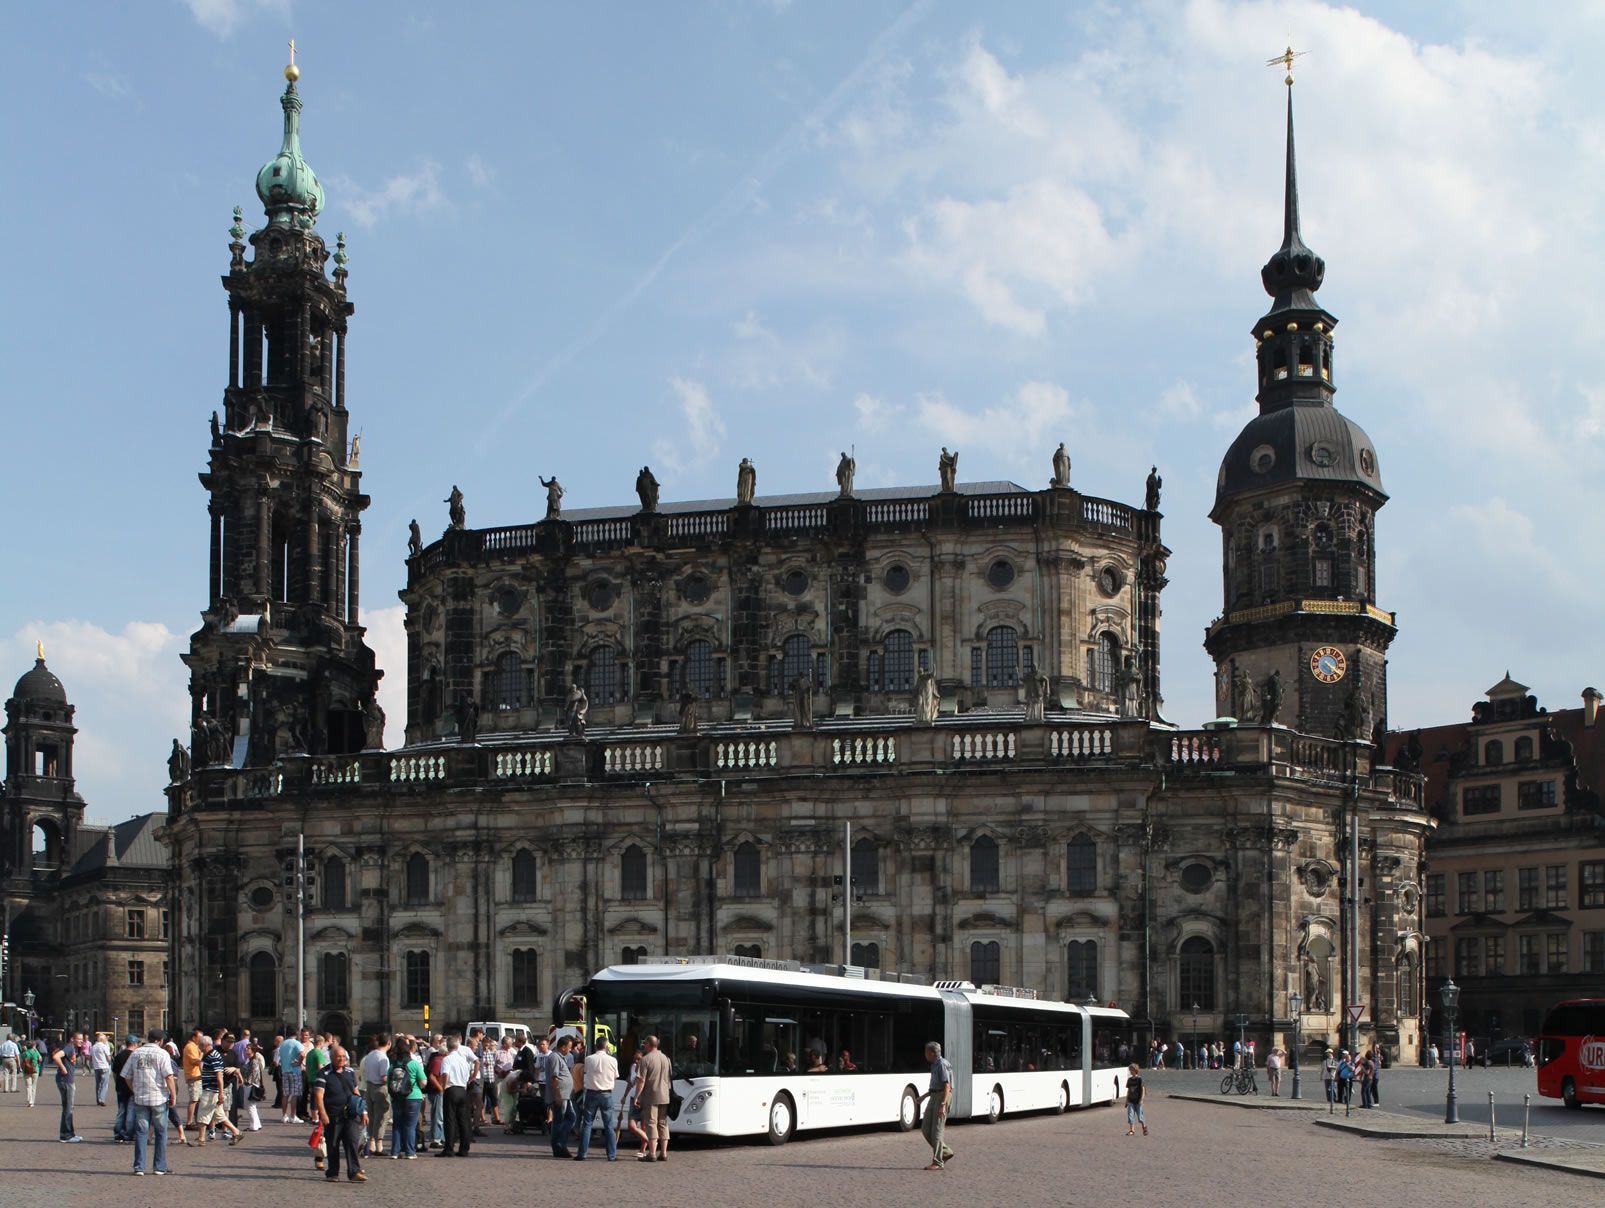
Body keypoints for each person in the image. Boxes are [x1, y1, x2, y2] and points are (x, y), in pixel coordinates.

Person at [124, 1029, 177, 1176]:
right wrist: (173, 1094)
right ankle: (159, 1166)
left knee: (141, 1132)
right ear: (160, 1041)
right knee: (161, 1132)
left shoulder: (136, 1053)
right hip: (159, 1097)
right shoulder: (162, 1053)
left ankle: (139, 1167)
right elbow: (169, 1076)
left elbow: (126, 1076)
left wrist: (134, 1090)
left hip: (141, 1098)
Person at [313, 1045, 367, 1183]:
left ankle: (354, 1171)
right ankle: (332, 1173)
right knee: (333, 1145)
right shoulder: (323, 1074)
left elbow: (356, 1092)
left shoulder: (349, 1072)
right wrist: (323, 1114)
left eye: (344, 1057)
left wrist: (364, 1111)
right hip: (332, 1115)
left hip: (350, 1114)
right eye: (338, 1057)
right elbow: (318, 1096)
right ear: (331, 1058)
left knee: (352, 1143)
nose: (342, 1059)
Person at [574, 1038, 619, 1161]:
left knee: (587, 1124)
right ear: (606, 1046)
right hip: (606, 1094)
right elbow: (615, 1076)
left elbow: (587, 1073)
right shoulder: (613, 1060)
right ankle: (611, 1155)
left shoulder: (588, 1059)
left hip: (591, 1093)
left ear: (595, 1046)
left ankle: (582, 1153)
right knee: (609, 1125)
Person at [195, 1035, 244, 1146]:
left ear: (205, 1045)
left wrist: (221, 1093)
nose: (199, 1047)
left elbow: (219, 1076)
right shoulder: (210, 1055)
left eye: (200, 1045)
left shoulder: (213, 1056)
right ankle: (237, 1132)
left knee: (202, 1114)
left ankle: (201, 1139)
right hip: (212, 1089)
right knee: (220, 1116)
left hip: (211, 1090)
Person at [634, 1034, 672, 1163]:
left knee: (651, 1123)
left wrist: (637, 1096)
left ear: (648, 1045)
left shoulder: (646, 1059)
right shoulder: (666, 1058)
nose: (644, 1046)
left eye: (645, 1044)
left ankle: (652, 1153)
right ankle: (664, 1153)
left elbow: (641, 1081)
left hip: (651, 1095)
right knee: (663, 1123)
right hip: (665, 1095)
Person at [917, 1040, 954, 1170]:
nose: (925, 1055)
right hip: (934, 1096)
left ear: (932, 1053)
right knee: (926, 1129)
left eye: (926, 1052)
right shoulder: (934, 1064)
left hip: (942, 1097)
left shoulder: (942, 1065)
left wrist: (943, 1104)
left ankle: (938, 1161)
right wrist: (923, 1097)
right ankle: (946, 1152)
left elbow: (947, 1086)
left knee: (937, 1131)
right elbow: (935, 1087)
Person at [388, 1037, 427, 1159]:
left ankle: (395, 1152)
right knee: (410, 1125)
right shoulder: (414, 1064)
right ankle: (410, 1152)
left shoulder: (392, 1065)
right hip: (413, 1097)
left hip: (397, 1097)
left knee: (397, 1125)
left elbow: (388, 1081)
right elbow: (424, 1082)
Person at [438, 1034, 476, 1157]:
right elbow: (467, 1075)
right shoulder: (463, 1060)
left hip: (452, 1089)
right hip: (463, 1090)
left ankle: (449, 1148)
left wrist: (444, 1087)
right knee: (464, 1120)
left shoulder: (447, 1059)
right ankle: (464, 1148)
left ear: (447, 1046)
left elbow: (445, 1074)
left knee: (450, 1119)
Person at [360, 1033, 391, 1157]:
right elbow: (384, 1077)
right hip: (380, 1088)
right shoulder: (383, 1058)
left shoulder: (369, 1055)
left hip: (369, 1087)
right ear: (389, 1043)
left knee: (372, 1116)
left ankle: (371, 1143)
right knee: (382, 1116)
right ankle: (379, 1146)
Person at [545, 1034, 577, 1157]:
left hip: (565, 1095)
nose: (570, 1050)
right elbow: (554, 1077)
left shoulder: (560, 1057)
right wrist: (557, 1095)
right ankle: (559, 1145)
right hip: (560, 1096)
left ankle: (560, 1145)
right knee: (562, 1120)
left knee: (568, 1118)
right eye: (569, 1047)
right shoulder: (554, 1057)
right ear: (562, 1047)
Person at [52, 1030, 83, 1142]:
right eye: (79, 1039)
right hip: (65, 1081)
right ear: (72, 1039)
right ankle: (65, 1135)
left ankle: (70, 1133)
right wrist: (63, 1068)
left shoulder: (73, 1049)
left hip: (68, 1080)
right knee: (68, 1108)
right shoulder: (69, 1047)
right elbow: (56, 1057)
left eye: (82, 1039)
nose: (81, 1041)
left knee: (69, 1107)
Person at [111, 1034, 139, 1142]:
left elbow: (114, 1073)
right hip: (132, 1087)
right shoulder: (135, 1056)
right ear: (135, 1044)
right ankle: (129, 1132)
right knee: (131, 1112)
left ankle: (118, 1131)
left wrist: (117, 1082)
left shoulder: (119, 1056)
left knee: (121, 1110)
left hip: (120, 1087)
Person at [277, 1029, 305, 1123]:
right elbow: (302, 1054)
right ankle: (293, 1116)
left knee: (285, 1094)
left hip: (285, 1071)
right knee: (294, 1094)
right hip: (294, 1071)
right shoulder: (297, 1043)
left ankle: (284, 1116)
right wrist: (299, 1063)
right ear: (296, 1035)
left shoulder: (283, 1044)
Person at [623, 1052, 648, 1155]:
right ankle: (649, 1140)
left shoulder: (646, 1068)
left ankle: (642, 1150)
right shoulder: (633, 1067)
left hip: (644, 1099)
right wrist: (624, 1096)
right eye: (635, 1059)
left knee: (644, 1126)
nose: (636, 1061)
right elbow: (630, 1083)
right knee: (631, 1126)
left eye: (639, 1059)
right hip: (633, 1099)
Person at [181, 1029, 204, 1129]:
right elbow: (196, 1061)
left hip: (196, 1076)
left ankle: (196, 1120)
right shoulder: (190, 1047)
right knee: (194, 1099)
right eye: (200, 1038)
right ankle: (189, 1122)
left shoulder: (194, 1046)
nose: (201, 1040)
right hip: (193, 1076)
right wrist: (203, 1053)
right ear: (194, 1037)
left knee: (197, 1099)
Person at [242, 1041, 265, 1131]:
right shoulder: (249, 1060)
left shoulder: (254, 1061)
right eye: (246, 1048)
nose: (246, 1049)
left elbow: (253, 1074)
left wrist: (246, 1082)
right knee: (252, 1106)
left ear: (253, 1050)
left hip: (251, 1085)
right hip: (250, 1084)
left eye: (248, 1048)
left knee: (249, 1106)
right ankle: (257, 1124)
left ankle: (253, 1126)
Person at [1124, 1062, 1147, 1136]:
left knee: (1140, 1118)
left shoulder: (1139, 1079)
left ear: (1135, 1070)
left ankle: (1144, 1127)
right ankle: (1132, 1130)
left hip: (1138, 1101)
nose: (1130, 1071)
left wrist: (1141, 1099)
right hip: (1131, 1101)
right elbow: (1128, 1091)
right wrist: (1126, 1100)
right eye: (1130, 1070)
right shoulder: (1129, 1080)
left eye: (1131, 1070)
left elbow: (1143, 1089)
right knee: (1130, 1116)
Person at [90, 1033, 112, 1106]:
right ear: (102, 1039)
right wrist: (109, 1062)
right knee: (104, 1084)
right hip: (104, 1066)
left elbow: (90, 1058)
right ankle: (102, 1099)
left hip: (96, 1067)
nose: (106, 1040)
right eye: (105, 1039)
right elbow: (108, 1058)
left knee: (98, 1084)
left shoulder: (93, 1047)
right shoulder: (104, 1046)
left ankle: (98, 1099)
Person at [21, 1036, 43, 1107]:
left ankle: (29, 1100)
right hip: (35, 1070)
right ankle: (32, 1102)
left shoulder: (24, 1053)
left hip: (26, 1071)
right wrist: (36, 1050)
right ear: (34, 1046)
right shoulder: (35, 1052)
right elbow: (40, 1059)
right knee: (34, 1086)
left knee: (28, 1086)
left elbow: (21, 1062)